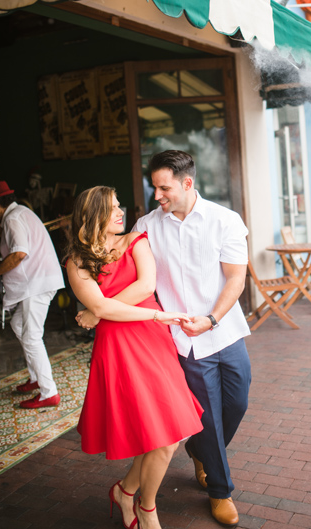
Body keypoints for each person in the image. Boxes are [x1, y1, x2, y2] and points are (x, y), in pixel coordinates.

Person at [71, 187, 203, 529]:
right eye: (112, 208)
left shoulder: (135, 240)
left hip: (151, 339)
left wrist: (101, 312)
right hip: (119, 346)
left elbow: (146, 287)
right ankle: (147, 509)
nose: (120, 211)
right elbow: (99, 304)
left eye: (119, 205)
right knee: (155, 432)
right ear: (93, 214)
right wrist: (102, 310)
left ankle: (127, 492)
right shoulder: (77, 260)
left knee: (169, 433)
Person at [133, 150, 250, 527]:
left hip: (225, 331)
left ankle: (199, 450)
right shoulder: (146, 226)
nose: (157, 196)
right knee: (211, 418)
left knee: (237, 404)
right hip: (182, 341)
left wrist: (212, 319)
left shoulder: (224, 221)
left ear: (187, 183)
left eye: (164, 188)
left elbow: (236, 278)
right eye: (155, 188)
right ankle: (220, 490)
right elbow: (123, 268)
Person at [0, 181, 64, 409]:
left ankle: (48, 392)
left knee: (32, 336)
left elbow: (19, 253)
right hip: (39, 281)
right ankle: (36, 378)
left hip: (37, 283)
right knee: (18, 325)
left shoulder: (13, 218)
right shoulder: (21, 213)